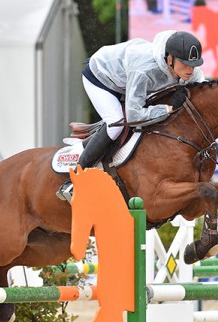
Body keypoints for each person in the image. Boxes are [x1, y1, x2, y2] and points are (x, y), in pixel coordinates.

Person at [56, 30, 206, 203]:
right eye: (185, 64)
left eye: (193, 64)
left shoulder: (189, 70)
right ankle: (75, 179)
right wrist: (168, 109)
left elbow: (204, 93)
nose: (190, 69)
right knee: (116, 123)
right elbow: (134, 116)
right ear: (170, 59)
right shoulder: (145, 69)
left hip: (126, 80)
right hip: (101, 78)